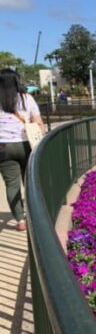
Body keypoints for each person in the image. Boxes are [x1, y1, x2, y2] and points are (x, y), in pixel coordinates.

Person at [0, 70, 46, 231]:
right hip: (26, 144)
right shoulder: (26, 98)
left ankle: (20, 220)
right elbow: (39, 123)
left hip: (3, 147)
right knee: (30, 181)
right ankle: (34, 214)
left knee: (12, 184)